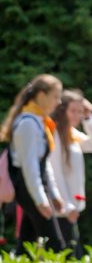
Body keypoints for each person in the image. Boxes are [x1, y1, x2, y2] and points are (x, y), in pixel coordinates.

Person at [1, 75, 66, 253]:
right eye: (55, 96)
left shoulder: (39, 122)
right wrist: (40, 200)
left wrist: (53, 193)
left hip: (35, 187)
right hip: (28, 187)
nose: (58, 102)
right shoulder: (28, 124)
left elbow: (44, 163)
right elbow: (30, 166)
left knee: (27, 243)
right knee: (55, 244)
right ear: (41, 95)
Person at [48, 90, 92, 257]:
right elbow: (55, 172)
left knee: (72, 254)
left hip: (71, 207)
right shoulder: (55, 134)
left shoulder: (71, 133)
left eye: (80, 111)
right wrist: (67, 205)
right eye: (73, 111)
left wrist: (89, 117)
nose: (77, 115)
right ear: (61, 110)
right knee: (67, 255)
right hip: (61, 207)